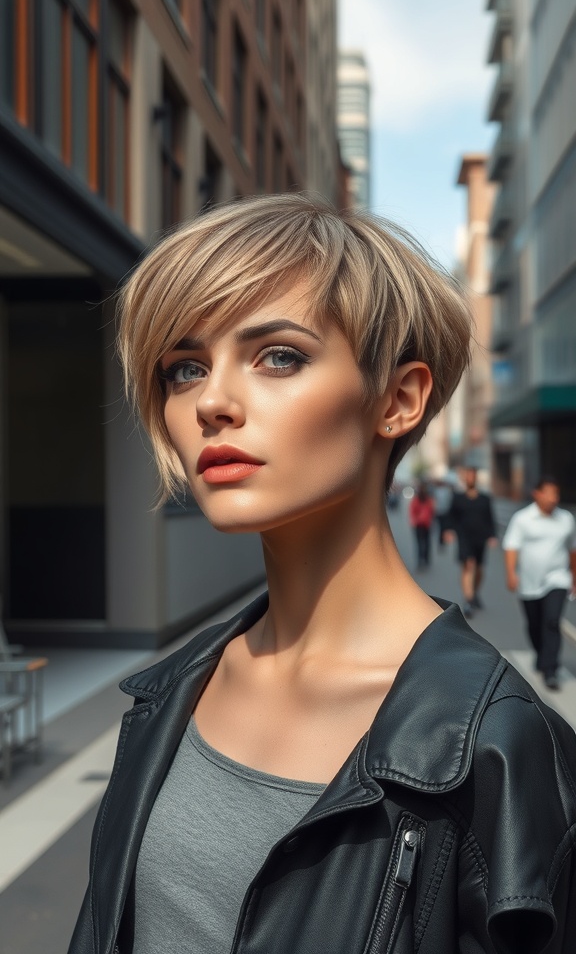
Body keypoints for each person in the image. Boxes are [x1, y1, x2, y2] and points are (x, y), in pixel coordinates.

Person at [69, 195, 576, 954]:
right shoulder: (172, 691)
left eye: (279, 355)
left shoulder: (500, 750)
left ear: (399, 400)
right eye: (184, 367)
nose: (211, 402)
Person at [502, 477, 576, 691]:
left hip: (557, 578)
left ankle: (550, 669)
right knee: (535, 624)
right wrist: (511, 573)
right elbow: (511, 546)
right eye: (550, 493)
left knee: (552, 621)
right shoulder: (523, 519)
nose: (554, 498)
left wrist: (574, 576)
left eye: (557, 494)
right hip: (529, 582)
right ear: (537, 494)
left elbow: (572, 549)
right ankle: (541, 654)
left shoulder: (566, 519)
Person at [443, 467, 498, 616]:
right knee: (468, 565)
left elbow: (490, 518)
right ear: (464, 478)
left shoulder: (485, 499)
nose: (470, 479)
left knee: (479, 569)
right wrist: (448, 530)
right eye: (468, 476)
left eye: (472, 476)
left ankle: (474, 592)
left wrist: (492, 536)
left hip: (480, 537)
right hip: (464, 537)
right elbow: (450, 516)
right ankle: (469, 600)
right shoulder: (458, 498)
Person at [408, 482, 435, 569]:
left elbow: (432, 511)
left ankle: (424, 560)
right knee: (422, 543)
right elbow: (412, 511)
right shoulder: (419, 500)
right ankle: (422, 560)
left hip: (424, 524)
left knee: (424, 543)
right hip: (420, 525)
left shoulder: (428, 500)